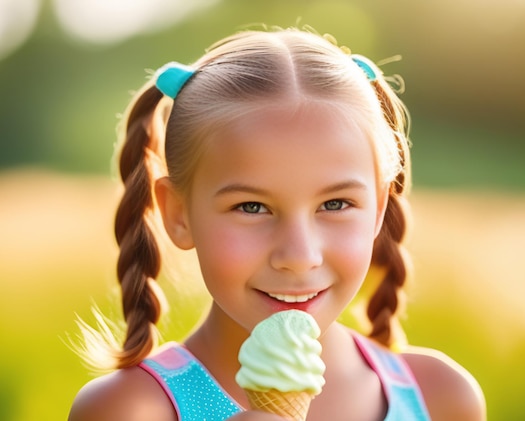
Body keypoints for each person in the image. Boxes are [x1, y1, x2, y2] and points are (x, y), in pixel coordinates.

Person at [68, 26, 486, 421]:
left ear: (379, 208)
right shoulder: (130, 410)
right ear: (178, 214)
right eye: (251, 207)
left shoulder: (441, 398)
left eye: (336, 203)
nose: (299, 256)